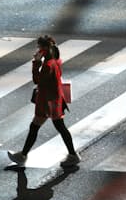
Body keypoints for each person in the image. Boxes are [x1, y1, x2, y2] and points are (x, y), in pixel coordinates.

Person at [8, 35, 81, 167]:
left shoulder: (47, 65)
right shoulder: (56, 60)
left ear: (45, 49)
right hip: (55, 99)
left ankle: (23, 156)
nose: (37, 50)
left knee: (38, 127)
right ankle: (72, 155)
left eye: (39, 47)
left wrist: (36, 63)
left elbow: (38, 81)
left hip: (48, 101)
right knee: (55, 127)